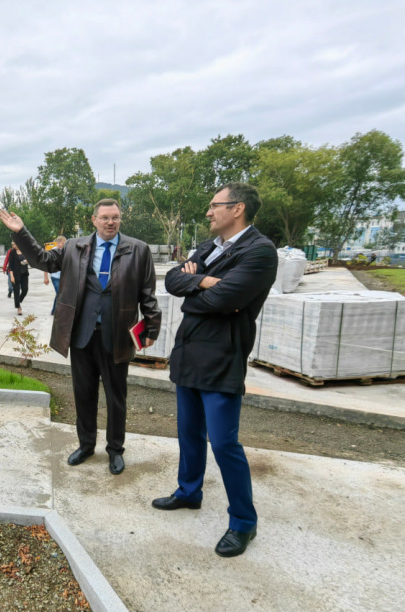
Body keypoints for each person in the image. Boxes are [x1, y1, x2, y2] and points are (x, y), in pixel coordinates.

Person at [153, 182, 278, 558]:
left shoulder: (259, 251)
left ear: (237, 208)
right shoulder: (209, 247)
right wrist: (203, 281)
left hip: (222, 357)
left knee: (224, 443)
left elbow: (225, 299)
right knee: (189, 433)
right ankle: (189, 492)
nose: (208, 212)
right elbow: (172, 280)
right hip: (189, 353)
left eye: (214, 205)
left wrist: (193, 290)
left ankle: (243, 522)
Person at [0, 199, 161, 475]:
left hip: (118, 335)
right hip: (82, 335)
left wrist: (151, 327)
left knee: (116, 396)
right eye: (105, 217)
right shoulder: (74, 246)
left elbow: (148, 292)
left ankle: (115, 449)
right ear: (94, 220)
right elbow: (42, 260)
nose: (111, 222)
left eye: (115, 217)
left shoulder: (138, 250)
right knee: (84, 393)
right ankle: (86, 445)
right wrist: (21, 232)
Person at [43, 235, 67, 315]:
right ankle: (59, 312)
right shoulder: (52, 253)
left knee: (59, 294)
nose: (64, 244)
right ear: (58, 243)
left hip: (63, 277)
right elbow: (46, 266)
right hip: (55, 276)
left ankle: (54, 311)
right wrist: (45, 277)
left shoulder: (64, 251)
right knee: (59, 294)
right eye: (63, 243)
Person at [8, 244, 30, 315]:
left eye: (15, 244)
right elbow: (10, 266)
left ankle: (18, 301)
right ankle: (18, 307)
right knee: (16, 291)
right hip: (15, 274)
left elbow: (30, 260)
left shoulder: (25, 251)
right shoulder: (12, 252)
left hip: (24, 274)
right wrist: (12, 276)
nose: (14, 245)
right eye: (13, 244)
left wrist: (27, 261)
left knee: (25, 290)